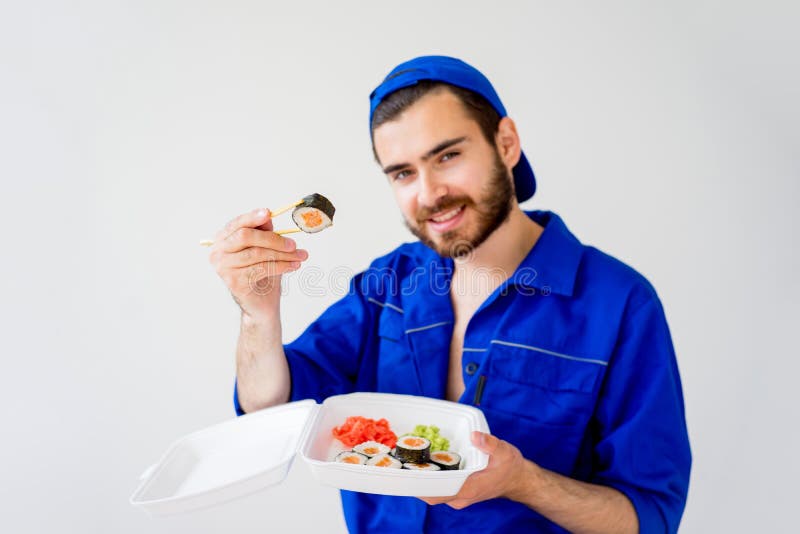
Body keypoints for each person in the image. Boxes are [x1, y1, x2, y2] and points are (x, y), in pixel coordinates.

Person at [208, 56, 691, 533]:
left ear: (506, 143)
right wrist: (258, 315)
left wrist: (524, 482)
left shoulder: (621, 305)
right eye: (403, 173)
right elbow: (271, 411)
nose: (430, 193)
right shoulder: (387, 285)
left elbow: (648, 517)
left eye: (448, 156)